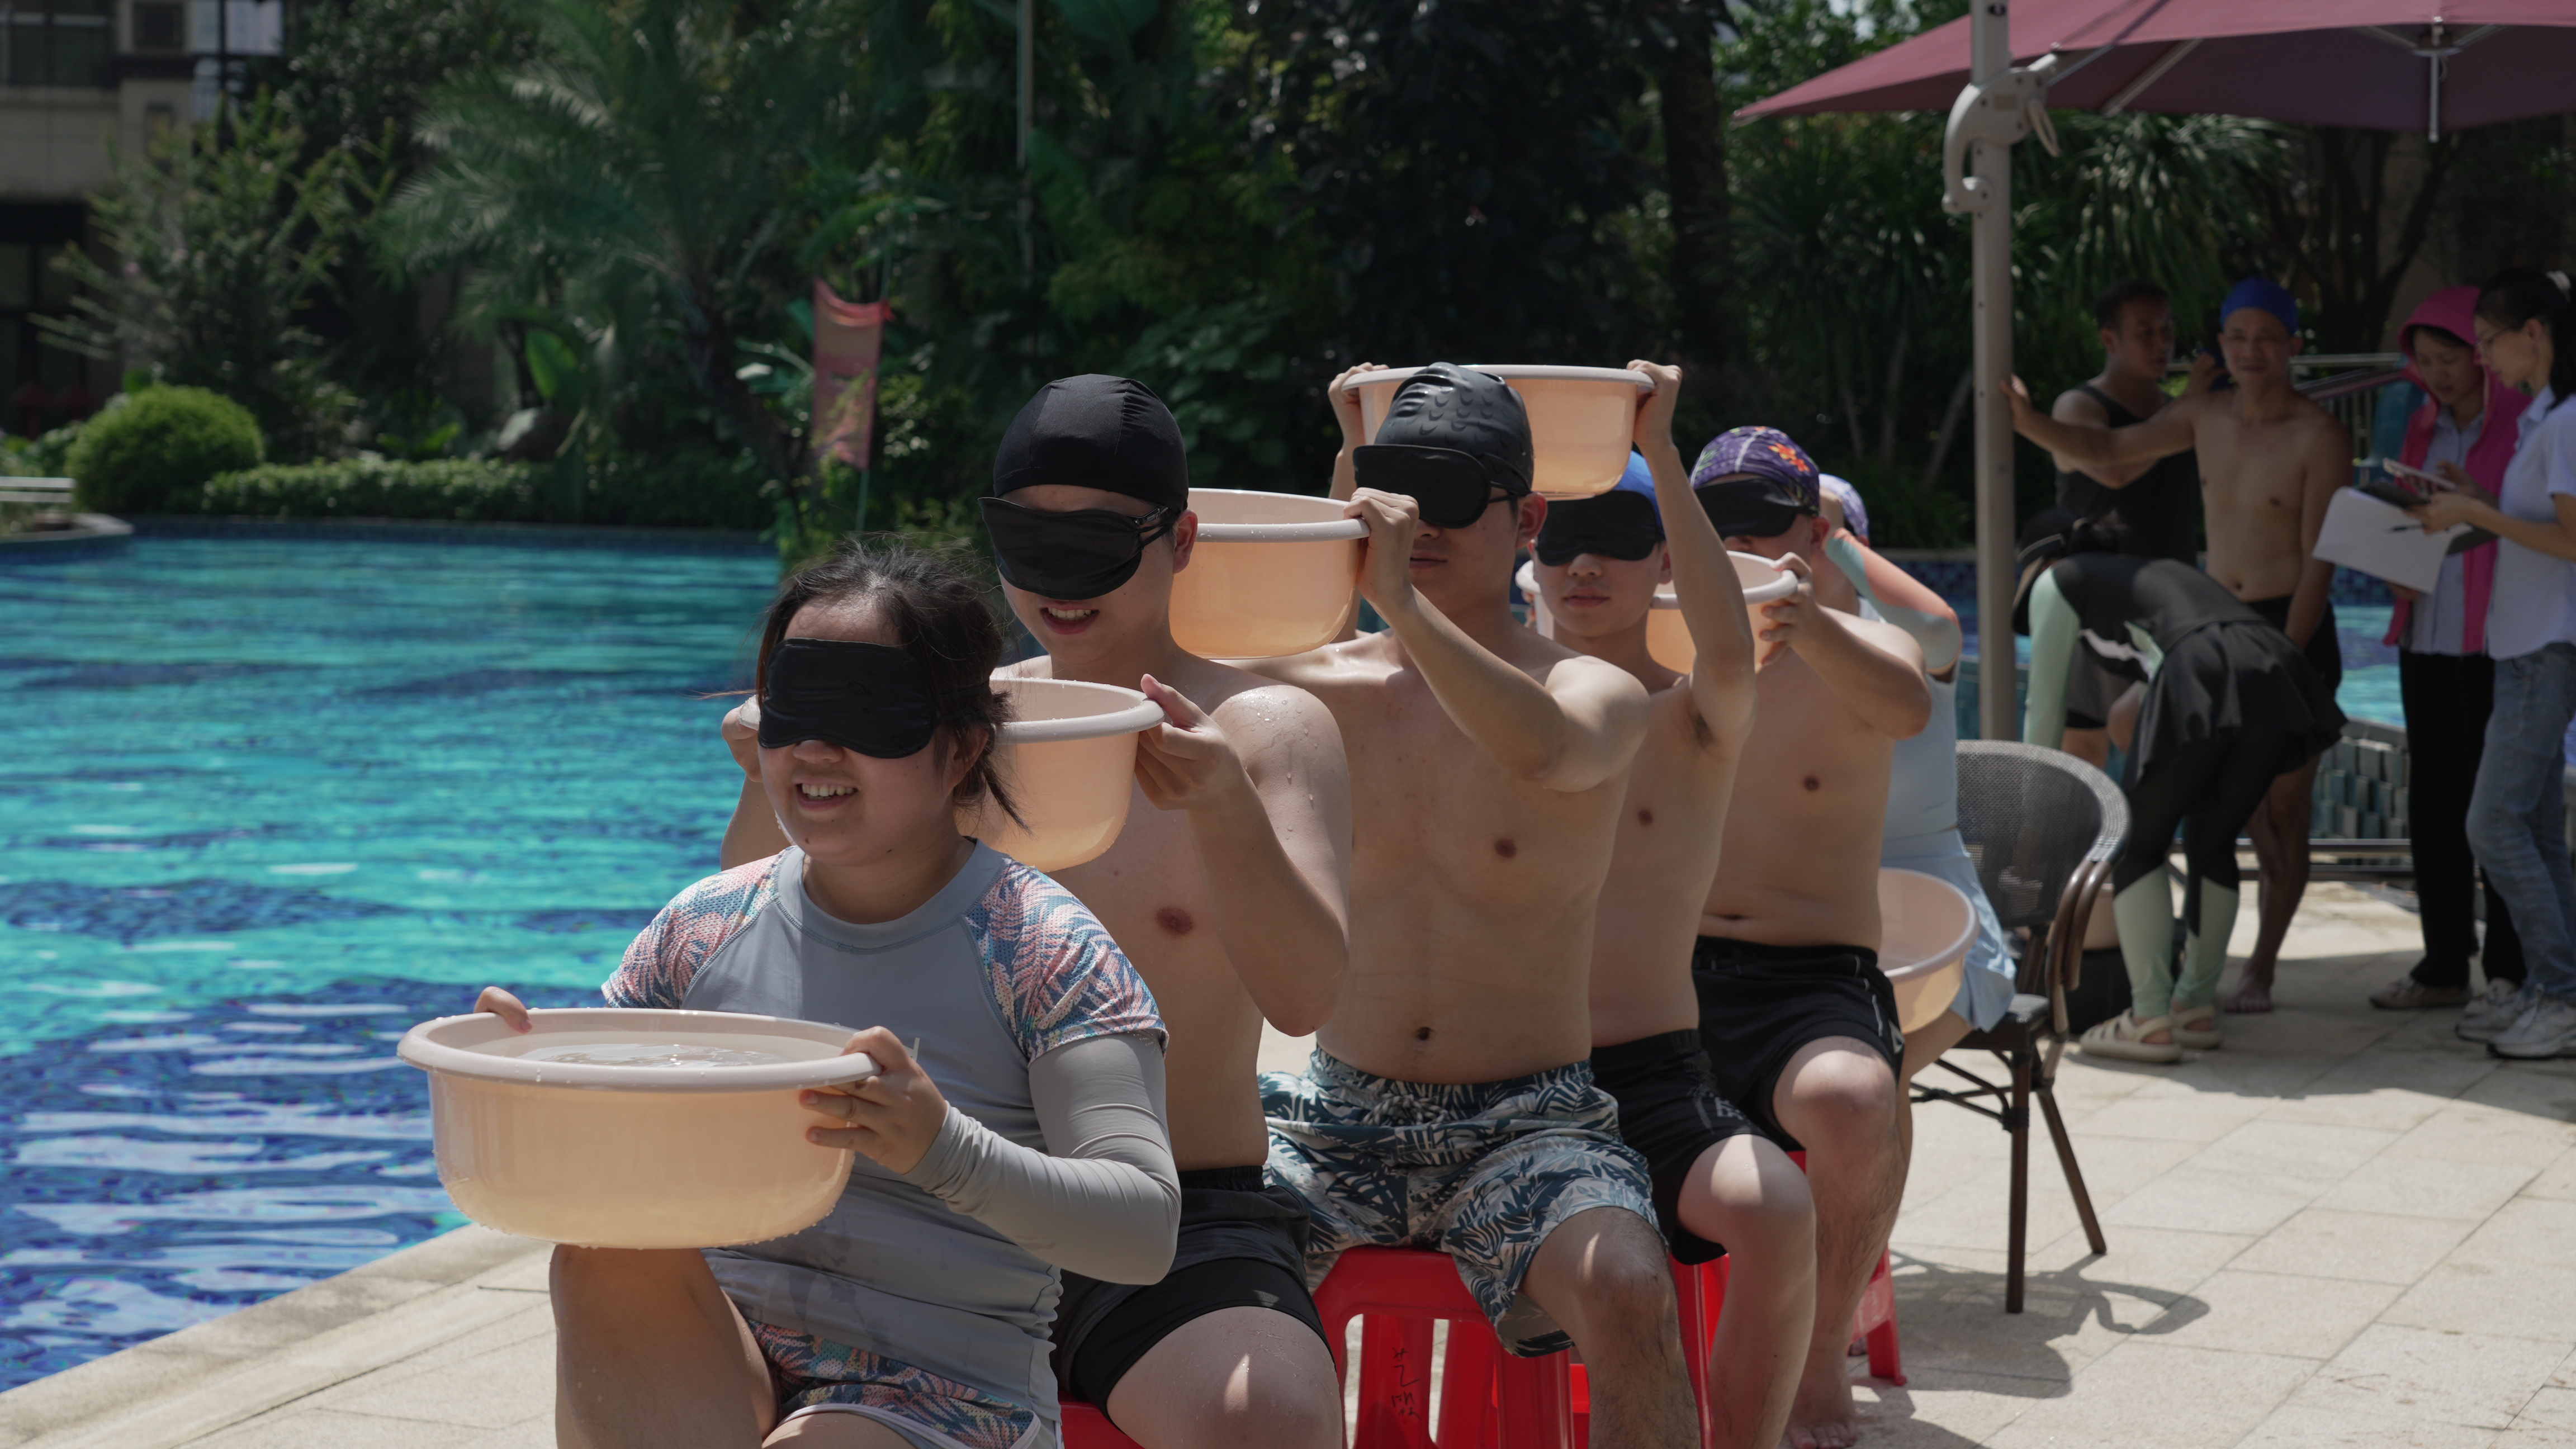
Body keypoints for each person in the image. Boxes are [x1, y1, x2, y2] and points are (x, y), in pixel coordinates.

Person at [719, 376, 1352, 1449]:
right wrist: (766, 771)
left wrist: (1224, 813)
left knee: (1275, 1414)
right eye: (1028, 541)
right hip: (914, 1203)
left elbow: (1307, 995)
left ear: (1181, 539)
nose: (1059, 581)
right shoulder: (934, 726)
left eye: (1095, 543)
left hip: (1173, 1210)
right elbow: (748, 940)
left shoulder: (1262, 731)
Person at [489, 542, 1180, 1449]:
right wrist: (530, 1078)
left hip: (941, 1391)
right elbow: (598, 1154)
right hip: (721, 1358)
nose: (816, 748)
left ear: (963, 746)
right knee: (601, 1252)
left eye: (866, 711)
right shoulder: (701, 929)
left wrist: (943, 1149)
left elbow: (1143, 1229)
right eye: (795, 707)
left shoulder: (1041, 950)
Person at [1245, 361, 1701, 1448]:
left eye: (1449, 495)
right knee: (1174, 1274)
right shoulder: (1310, 691)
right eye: (1397, 492)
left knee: (1632, 1286)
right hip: (1336, 1113)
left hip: (1529, 1118)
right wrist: (1346, 469)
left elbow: (1546, 751)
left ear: (1528, 519)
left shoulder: (1589, 689)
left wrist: (1400, 601)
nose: (1418, 523)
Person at [1524, 382, 1815, 1449]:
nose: (1583, 564)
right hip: (1515, 1079)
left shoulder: (1692, 717)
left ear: (1661, 563)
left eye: (1615, 538)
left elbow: (1729, 647)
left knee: (1777, 1207)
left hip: (1649, 1076)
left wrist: (1657, 446)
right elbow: (1342, 653)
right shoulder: (1494, 712)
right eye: (1560, 541)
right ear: (1527, 554)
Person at [2007, 276, 2352, 1014]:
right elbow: (2107, 451)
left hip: (2287, 631)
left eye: (2267, 338)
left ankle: (2261, 967)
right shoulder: (2202, 414)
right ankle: (2195, 961)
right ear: (2222, 344)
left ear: (2292, 345)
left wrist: (2287, 666)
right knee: (2142, 730)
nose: (2251, 351)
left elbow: (2318, 565)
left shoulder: (2321, 435)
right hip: (2212, 627)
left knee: (2280, 818)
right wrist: (2028, 421)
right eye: (2238, 337)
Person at [1693, 426, 1932, 1449]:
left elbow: (1909, 703)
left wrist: (1806, 625)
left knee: (1856, 1101)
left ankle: (1822, 1350)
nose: (1742, 547)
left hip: (1810, 979)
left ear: (1815, 531)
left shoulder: (1865, 649)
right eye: (1717, 528)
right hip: (1664, 972)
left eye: (1763, 524)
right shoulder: (1656, 646)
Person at [2016, 511, 2345, 1064]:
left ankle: (2148, 1018)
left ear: (2040, 564)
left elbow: (2044, 706)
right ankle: (2193, 1007)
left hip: (2201, 667)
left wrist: (2031, 813)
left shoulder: (2057, 581)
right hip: (2274, 668)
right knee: (2212, 841)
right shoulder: (2145, 573)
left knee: (2138, 846)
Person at [2410, 268, 2576, 1059]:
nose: (2482, 360)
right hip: (2522, 650)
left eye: (2487, 342)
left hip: (2546, 651)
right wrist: (2473, 501)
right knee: (2535, 829)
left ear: (2534, 333)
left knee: (2492, 823)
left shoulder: (2567, 421)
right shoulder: (2546, 417)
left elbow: (2573, 541)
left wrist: (2476, 511)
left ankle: (2562, 995)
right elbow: (2535, 527)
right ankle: (2555, 988)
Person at [1813, 486, 2016, 1082]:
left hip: (1946, 940)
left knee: (1869, 1076)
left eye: (1813, 530)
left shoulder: (1903, 646)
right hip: (1821, 935)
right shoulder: (1754, 655)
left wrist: (1832, 534)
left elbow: (1937, 624)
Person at [2365, 287, 2530, 1015]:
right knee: (2434, 804)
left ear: (2482, 354)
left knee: (2496, 814)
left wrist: (2479, 502)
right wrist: (2389, 556)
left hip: (2495, 642)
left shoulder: (2525, 426)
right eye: (2425, 361)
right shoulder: (2422, 427)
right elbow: (2412, 520)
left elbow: (2533, 526)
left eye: (2450, 358)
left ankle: (2510, 970)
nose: (2437, 374)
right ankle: (2442, 964)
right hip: (2426, 634)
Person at [2043, 278, 2205, 771]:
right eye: (2145, 332)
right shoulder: (2079, 407)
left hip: (2166, 603)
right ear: (2109, 339)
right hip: (2095, 600)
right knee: (2082, 749)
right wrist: (2188, 406)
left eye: (2167, 330)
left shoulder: (2182, 412)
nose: (2161, 343)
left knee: (2159, 742)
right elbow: (2112, 468)